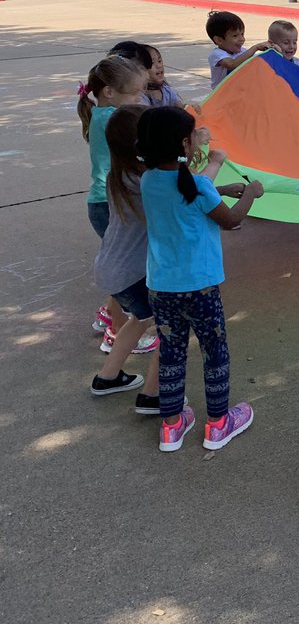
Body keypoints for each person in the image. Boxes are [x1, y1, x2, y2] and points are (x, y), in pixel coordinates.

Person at [137, 106, 264, 452]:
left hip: (161, 288)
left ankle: (171, 425)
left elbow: (187, 194)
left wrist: (219, 187)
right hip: (201, 288)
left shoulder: (148, 181)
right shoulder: (196, 186)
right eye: (194, 135)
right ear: (183, 143)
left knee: (172, 354)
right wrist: (251, 192)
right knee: (214, 352)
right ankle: (219, 423)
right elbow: (232, 220)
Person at [90, 105, 161, 411]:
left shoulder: (119, 175)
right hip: (133, 274)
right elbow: (191, 193)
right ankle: (154, 395)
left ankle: (107, 377)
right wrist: (211, 161)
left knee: (139, 319)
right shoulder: (148, 182)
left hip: (110, 270)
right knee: (172, 328)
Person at [77, 56, 148, 337]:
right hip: (110, 204)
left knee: (123, 268)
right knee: (128, 271)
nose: (140, 98)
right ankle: (119, 331)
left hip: (104, 201)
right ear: (110, 92)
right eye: (135, 93)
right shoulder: (113, 119)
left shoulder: (102, 113)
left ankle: (110, 314)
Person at [206, 10, 270, 88]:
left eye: (242, 34)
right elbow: (232, 64)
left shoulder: (242, 51)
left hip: (239, 93)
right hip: (222, 96)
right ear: (219, 40)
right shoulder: (217, 54)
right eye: (235, 36)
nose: (241, 39)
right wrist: (255, 48)